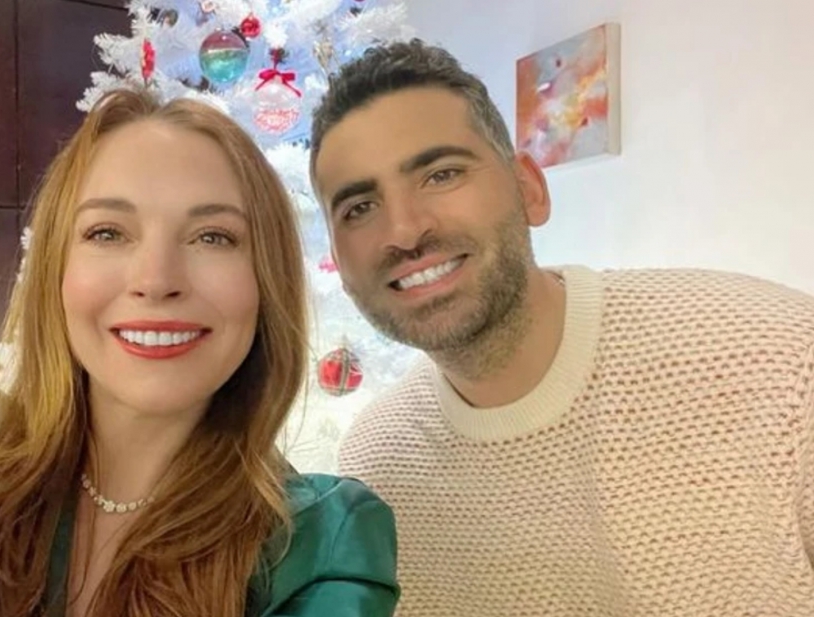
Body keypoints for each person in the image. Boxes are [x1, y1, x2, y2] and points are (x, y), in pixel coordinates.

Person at [0, 87, 399, 617]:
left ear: (266, 281)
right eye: (107, 232)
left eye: (212, 236)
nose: (156, 280)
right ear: (56, 270)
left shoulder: (321, 543)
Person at [309, 38, 814, 615]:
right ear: (338, 263)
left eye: (441, 174)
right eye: (359, 208)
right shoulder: (376, 465)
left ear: (529, 189)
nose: (404, 230)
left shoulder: (781, 365)